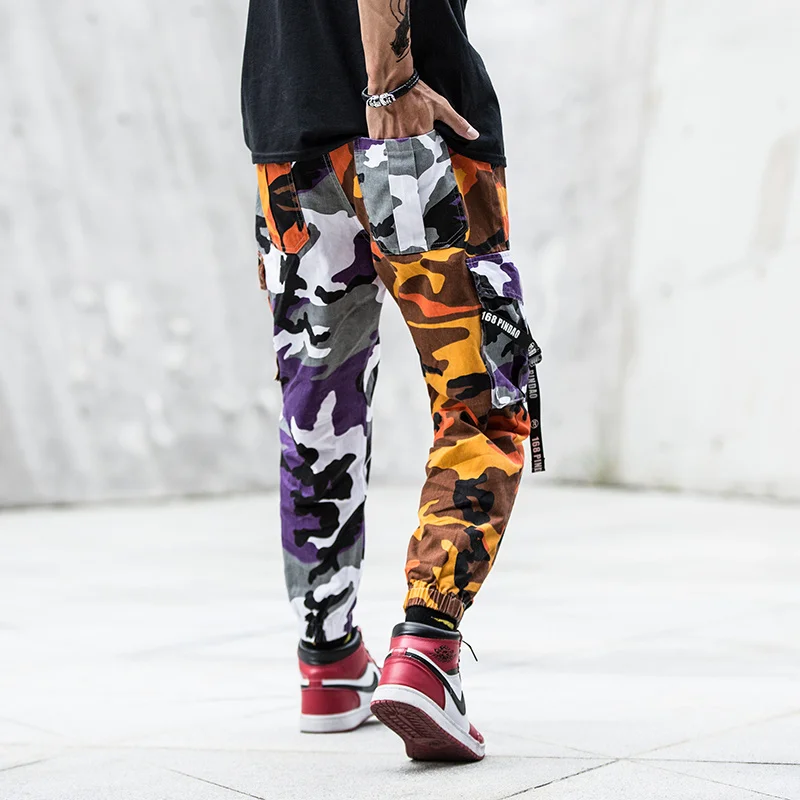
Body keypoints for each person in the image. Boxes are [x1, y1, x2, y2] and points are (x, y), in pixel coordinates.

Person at [241, 0, 544, 762]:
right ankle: (428, 648)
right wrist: (390, 81)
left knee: (318, 404)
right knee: (481, 400)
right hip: (409, 128)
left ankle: (330, 659)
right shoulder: (396, 93)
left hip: (288, 134)